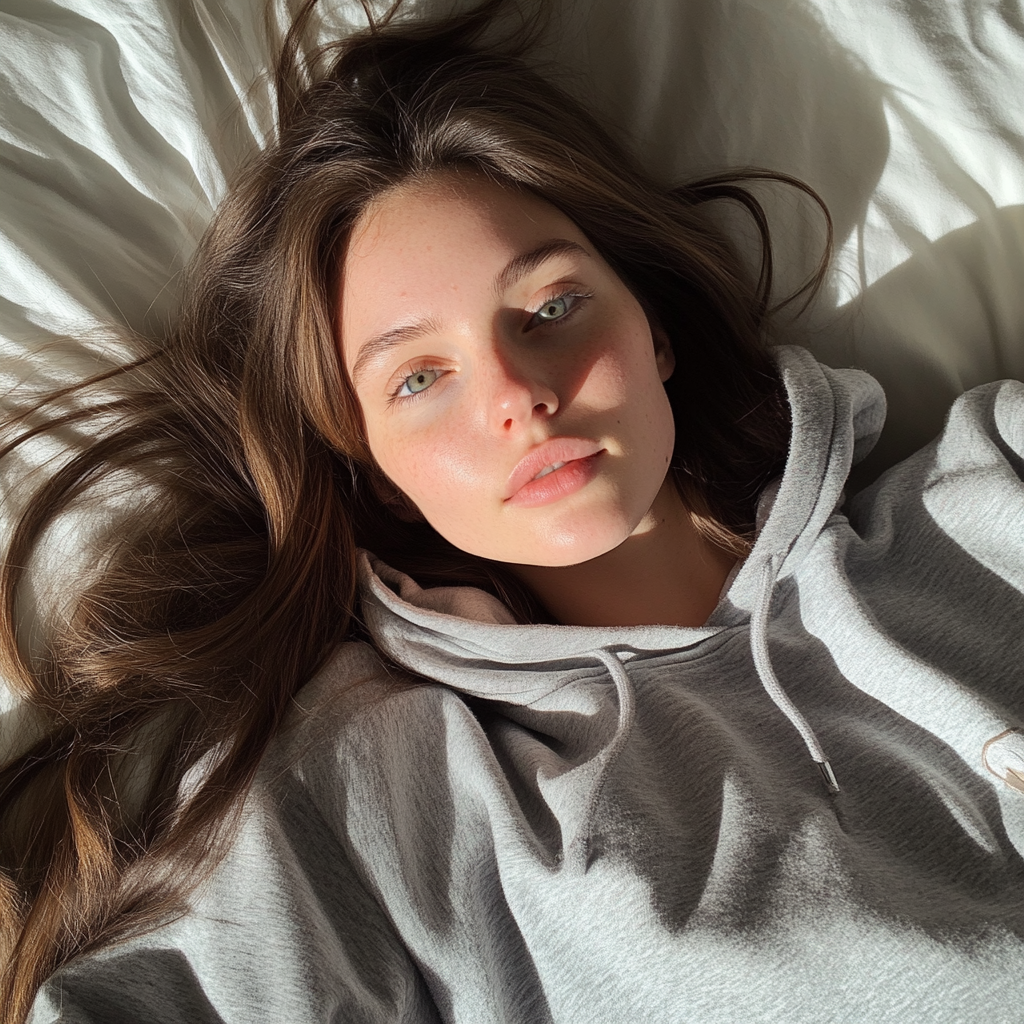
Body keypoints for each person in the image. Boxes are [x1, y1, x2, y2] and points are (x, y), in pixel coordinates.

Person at [3, 0, 1024, 1021]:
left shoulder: (989, 489)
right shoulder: (383, 800)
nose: (516, 394)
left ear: (652, 329)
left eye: (548, 308)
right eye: (417, 378)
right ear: (377, 471)